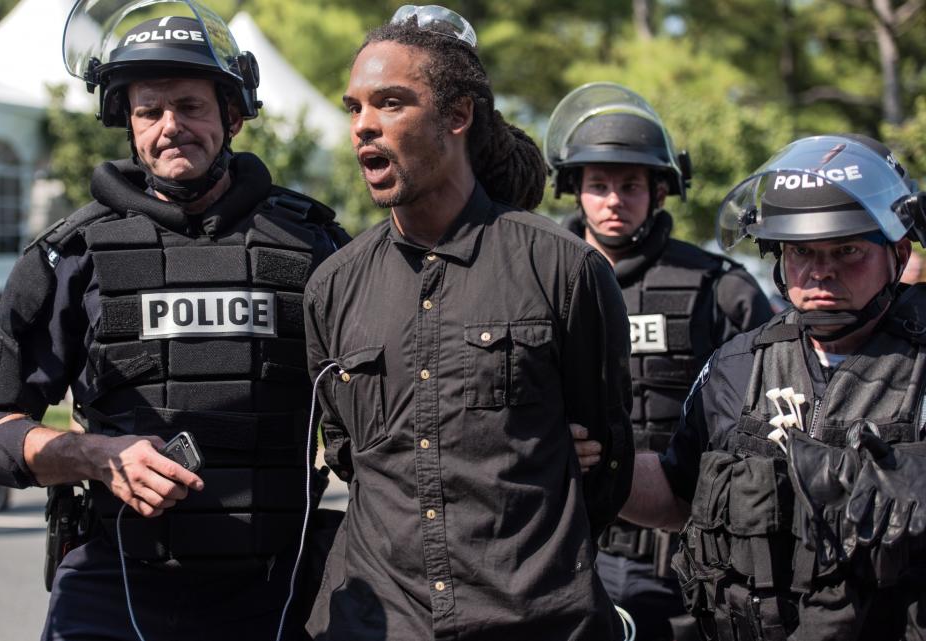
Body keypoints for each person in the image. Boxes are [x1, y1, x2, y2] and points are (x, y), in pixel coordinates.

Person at [0, 1, 347, 639]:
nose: (171, 126)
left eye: (191, 106)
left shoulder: (314, 246)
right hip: (118, 584)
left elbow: (388, 397)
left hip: (283, 585)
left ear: (232, 114)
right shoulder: (69, 257)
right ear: (128, 123)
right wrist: (92, 454)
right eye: (150, 111)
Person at [303, 6, 634, 640]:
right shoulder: (333, 287)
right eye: (355, 108)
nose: (364, 127)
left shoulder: (565, 269)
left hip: (537, 622)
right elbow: (349, 456)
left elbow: (606, 463)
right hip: (375, 624)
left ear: (457, 116)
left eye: (391, 103)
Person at [619, 133, 926, 640]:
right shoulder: (737, 365)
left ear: (897, 251)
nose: (821, 272)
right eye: (802, 251)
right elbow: (677, 494)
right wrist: (589, 456)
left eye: (847, 249)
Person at [545, 82, 773, 641]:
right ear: (575, 190)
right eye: (598, 185)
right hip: (563, 553)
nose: (614, 200)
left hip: (684, 560)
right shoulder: (534, 279)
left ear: (661, 191)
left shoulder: (720, 288)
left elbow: (773, 415)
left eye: (630, 185)